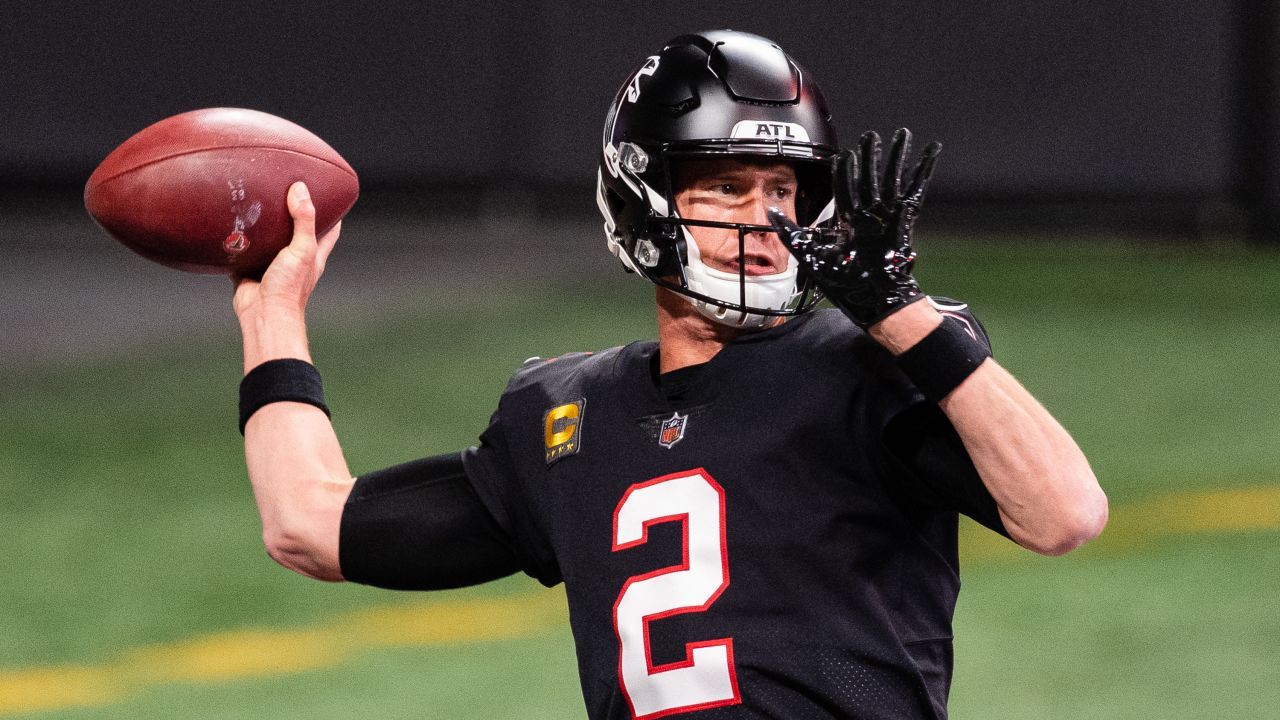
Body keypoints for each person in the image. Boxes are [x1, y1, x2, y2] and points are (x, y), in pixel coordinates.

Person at [232, 30, 1107, 720]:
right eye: (726, 188)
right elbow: (309, 525)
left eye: (782, 190)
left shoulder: (873, 362)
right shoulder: (567, 415)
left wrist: (902, 313)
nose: (763, 221)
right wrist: (272, 315)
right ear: (641, 198)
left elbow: (1065, 513)